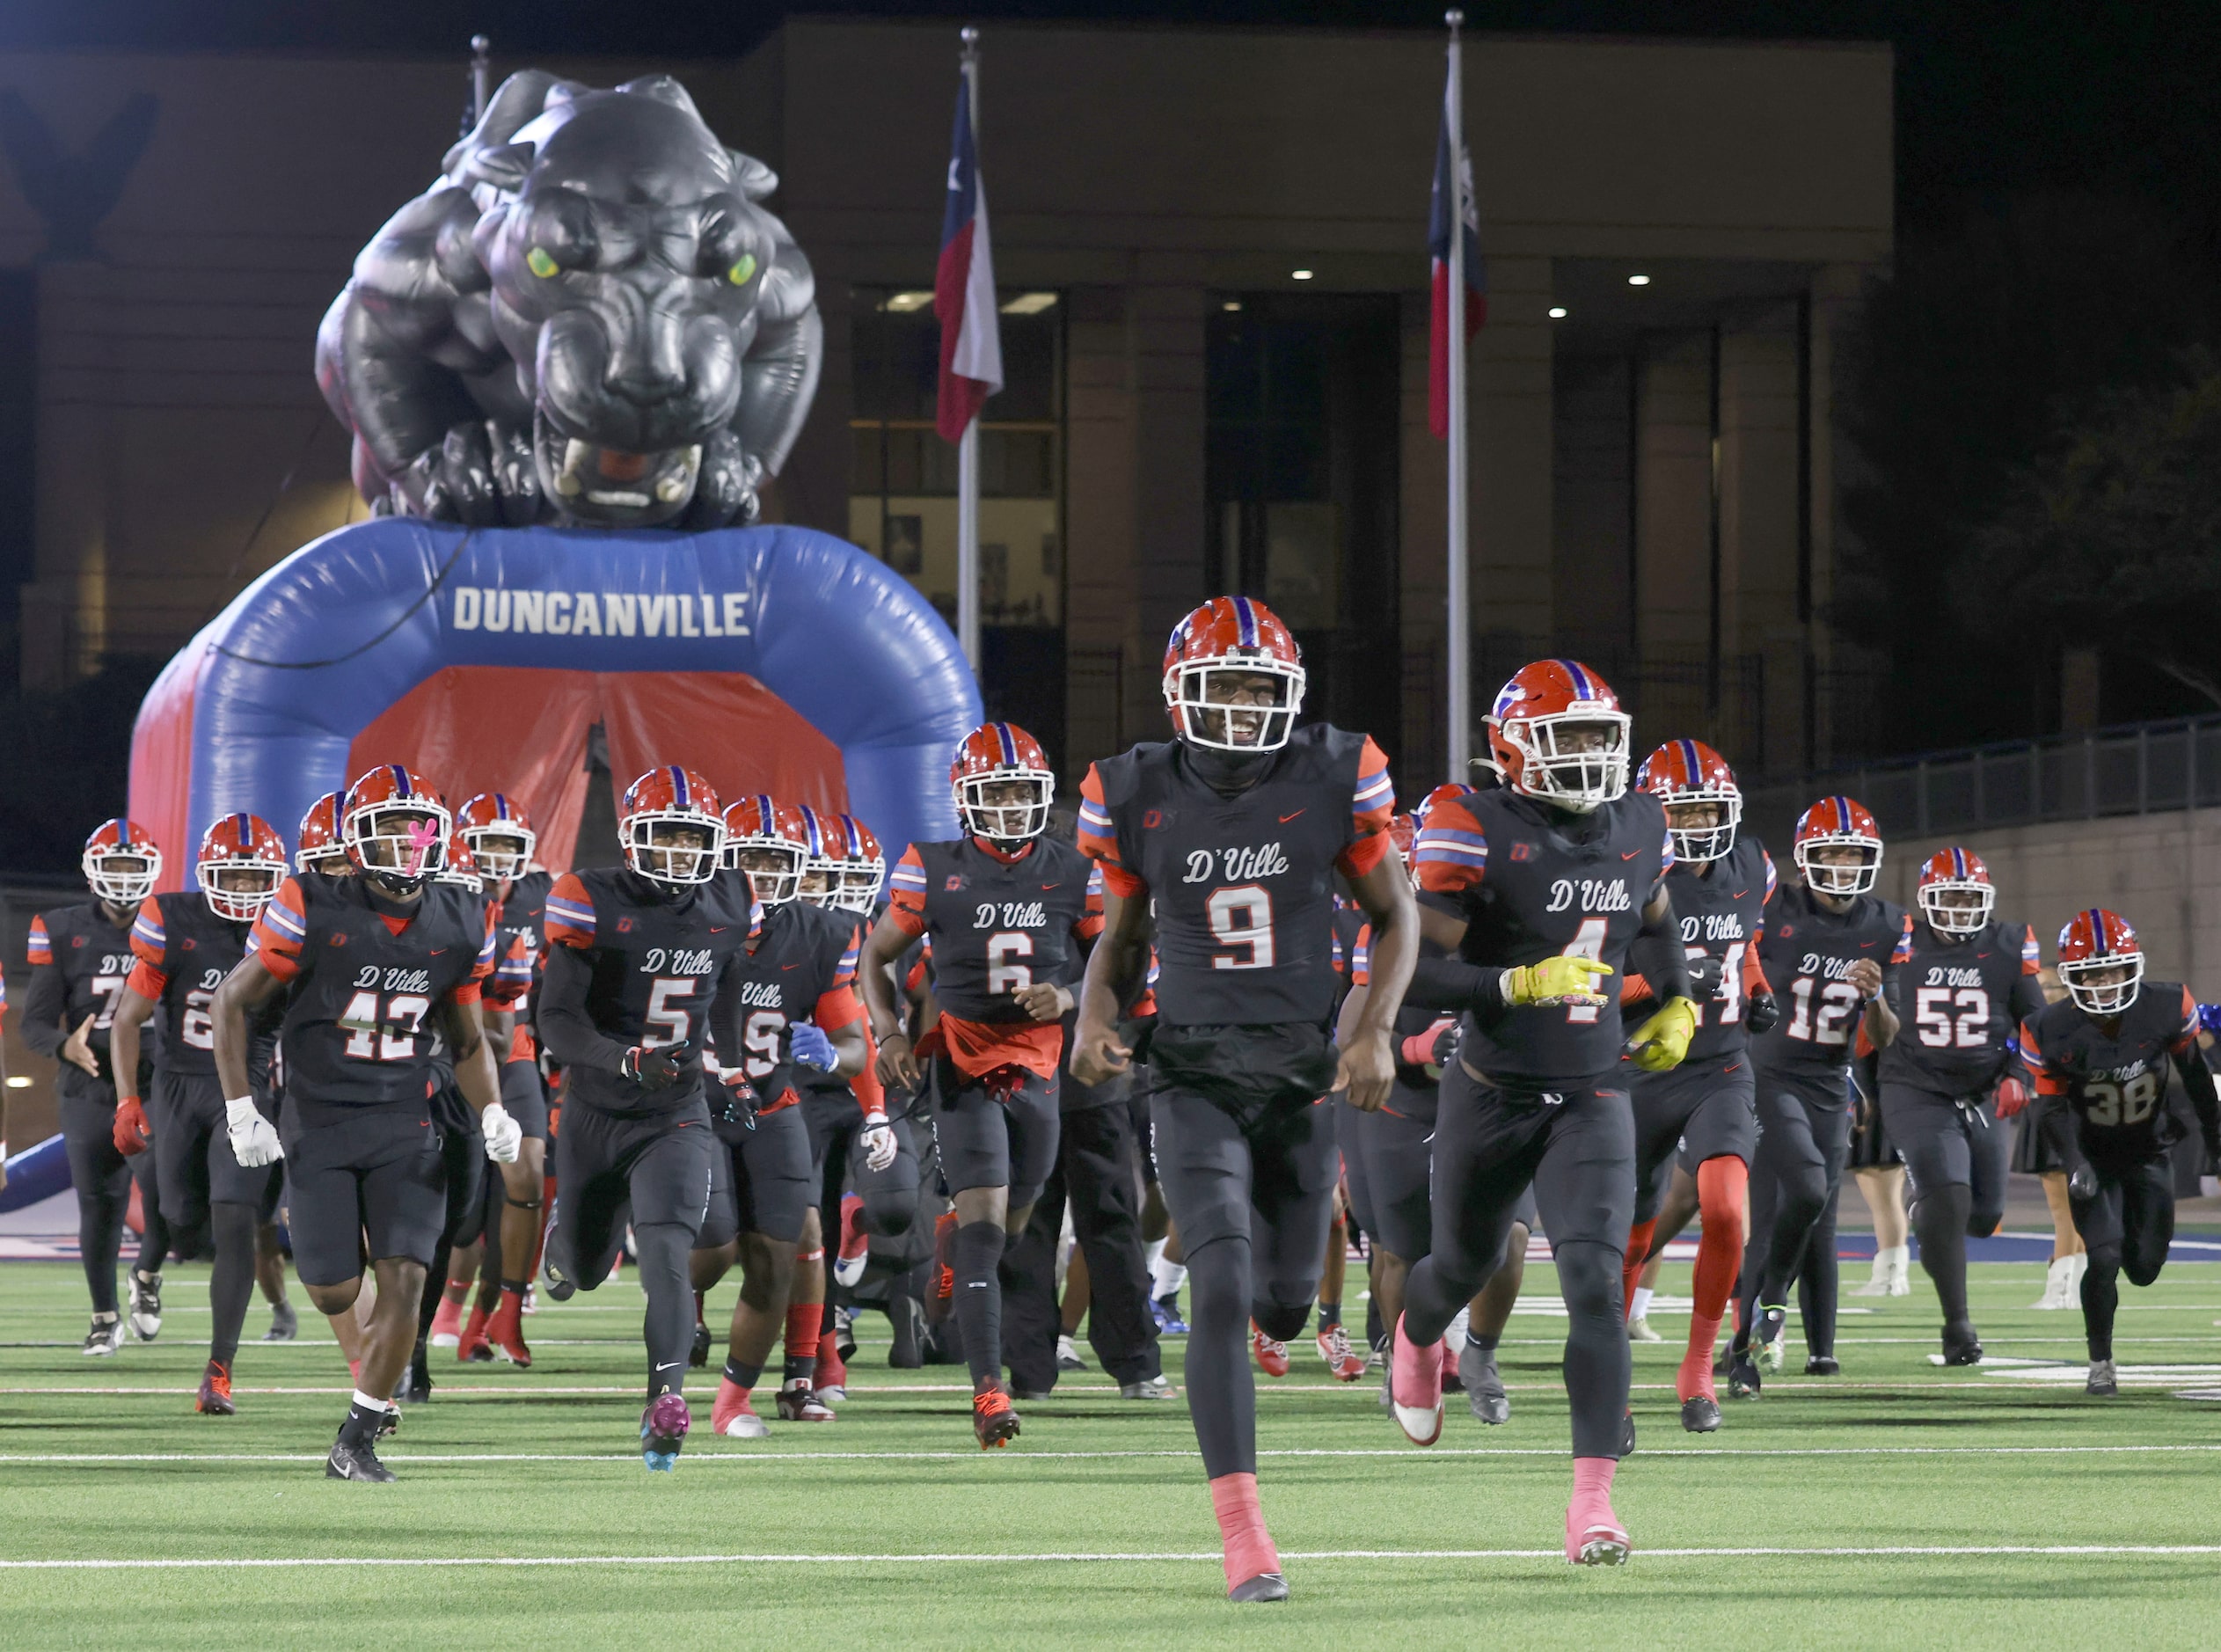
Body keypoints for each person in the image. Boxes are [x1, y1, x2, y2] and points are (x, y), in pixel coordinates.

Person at [1071, 596, 1417, 1602]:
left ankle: (1287, 1320)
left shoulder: (1331, 773)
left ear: (1289, 696)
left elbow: (1394, 917)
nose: (1237, 704)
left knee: (1279, 1299)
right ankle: (1242, 1529)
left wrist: (1371, 1030)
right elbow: (1122, 936)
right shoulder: (1133, 789)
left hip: (1303, 1072)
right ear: (1180, 692)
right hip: (1192, 1069)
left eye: (1256, 686)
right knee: (1218, 1281)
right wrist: (1098, 1017)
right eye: (1220, 685)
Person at [1384, 660, 1696, 1567]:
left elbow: (1658, 924)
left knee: (1594, 1285)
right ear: (1510, 745)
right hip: (1490, 1089)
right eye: (1567, 736)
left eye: (1601, 735)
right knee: (1461, 1264)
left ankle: (1591, 1507)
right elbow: (1411, 974)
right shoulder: (1472, 823)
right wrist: (1512, 981)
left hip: (1593, 1089)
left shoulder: (1638, 822)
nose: (1590, 754)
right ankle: (1414, 1337)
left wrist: (1674, 1003)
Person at [211, 766, 522, 1481]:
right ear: (354, 839)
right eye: (384, 831)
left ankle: (356, 1439)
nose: (402, 847)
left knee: (409, 1277)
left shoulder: (461, 916)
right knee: (333, 1291)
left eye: (413, 832)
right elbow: (233, 1002)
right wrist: (240, 1108)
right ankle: (358, 1382)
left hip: (405, 1116)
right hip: (319, 1117)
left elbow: (468, 1038)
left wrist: (493, 1106)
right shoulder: (311, 901)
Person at [861, 722, 1102, 1446]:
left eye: (1019, 790)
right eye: (992, 790)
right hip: (962, 1057)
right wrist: (893, 1033)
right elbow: (872, 960)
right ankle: (988, 1389)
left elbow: (1110, 961)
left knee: (1016, 1225)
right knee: (986, 1222)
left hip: (1040, 1061)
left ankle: (951, 1246)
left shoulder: (1073, 869)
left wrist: (1066, 995)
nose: (1005, 803)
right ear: (965, 798)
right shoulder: (930, 865)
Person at [535, 766, 771, 1469]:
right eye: (661, 834)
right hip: (596, 1110)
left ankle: (664, 1404)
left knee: (668, 1251)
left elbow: (727, 984)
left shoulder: (733, 898)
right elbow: (555, 1020)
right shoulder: (591, 899)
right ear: (632, 839)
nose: (675, 849)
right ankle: (564, 1243)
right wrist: (626, 1059)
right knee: (581, 1265)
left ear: (714, 842)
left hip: (674, 1112)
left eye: (689, 835)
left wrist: (727, 1066)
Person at [694, 795, 868, 1437]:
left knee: (784, 1246)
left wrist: (832, 1053)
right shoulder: (690, 919)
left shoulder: (820, 933)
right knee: (712, 1243)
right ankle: (684, 1303)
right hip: (694, 1105)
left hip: (772, 1105)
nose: (765, 870)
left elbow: (854, 1047)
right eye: (753, 857)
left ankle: (740, 1399)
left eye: (778, 858)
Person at [1618, 740, 1776, 1433]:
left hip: (1719, 1066)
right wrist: (1667, 983)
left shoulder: (1753, 866)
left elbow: (1747, 945)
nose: (1695, 822)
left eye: (1706, 807)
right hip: (1637, 1064)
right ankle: (1608, 1376)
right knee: (1628, 1235)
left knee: (1727, 1212)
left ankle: (1698, 1367)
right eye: (1679, 811)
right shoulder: (1622, 869)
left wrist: (1756, 988)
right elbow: (1588, 979)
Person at [108, 814, 290, 1414]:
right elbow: (129, 1018)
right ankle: (148, 1271)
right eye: (231, 876)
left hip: (246, 1087)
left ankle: (220, 1369)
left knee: (234, 1219)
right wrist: (128, 1098)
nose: (242, 890)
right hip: (180, 1084)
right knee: (178, 1217)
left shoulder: (288, 926)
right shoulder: (172, 919)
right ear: (209, 874)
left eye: (253, 878)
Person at [1730, 797, 1908, 1394]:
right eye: (1829, 851)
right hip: (1765, 1074)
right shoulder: (1771, 905)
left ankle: (1763, 1348)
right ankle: (1769, 1305)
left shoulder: (1886, 924)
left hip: (1831, 1083)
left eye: (1852, 851)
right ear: (1805, 857)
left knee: (1818, 1215)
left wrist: (1875, 997)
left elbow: (1883, 1037)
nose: (1840, 862)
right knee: (1797, 1191)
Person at [2020, 910, 2219, 1396]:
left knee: (2145, 1268)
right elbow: (2049, 1109)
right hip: (2092, 1155)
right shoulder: (2048, 1026)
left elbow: (2194, 1076)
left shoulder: (2166, 1005)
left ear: (2133, 967)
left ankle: (2128, 1269)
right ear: (2072, 976)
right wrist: (2075, 1163)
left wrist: (2216, 1145)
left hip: (2149, 1151)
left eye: (2113, 969)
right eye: (2092, 971)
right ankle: (2101, 1361)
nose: (2105, 981)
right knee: (2103, 1257)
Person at [1877, 848, 2048, 1363]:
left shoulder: (2008, 944)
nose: (1958, 905)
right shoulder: (1900, 942)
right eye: (1948, 895)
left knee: (1983, 1214)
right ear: (1927, 900)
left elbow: (2035, 1022)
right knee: (1948, 1197)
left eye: (1968, 896)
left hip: (1983, 1090)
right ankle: (1958, 1325)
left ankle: (1923, 1211)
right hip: (1915, 1085)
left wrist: (2021, 1073)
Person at [22, 819, 173, 1356]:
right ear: (93, 871)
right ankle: (104, 1318)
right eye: (115, 865)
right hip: (88, 1084)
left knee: (168, 1193)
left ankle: (148, 1274)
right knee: (100, 1203)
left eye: (135, 865)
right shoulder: (63, 928)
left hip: (157, 1081)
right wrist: (66, 1046)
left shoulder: (173, 922)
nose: (126, 877)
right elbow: (34, 1023)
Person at [429, 793, 552, 1366]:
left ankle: (500, 1314)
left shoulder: (542, 898)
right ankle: (450, 1310)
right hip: (449, 1052)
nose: (498, 856)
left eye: (510, 844)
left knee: (524, 1178)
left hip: (515, 1047)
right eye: (487, 843)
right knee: (465, 1205)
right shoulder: (442, 902)